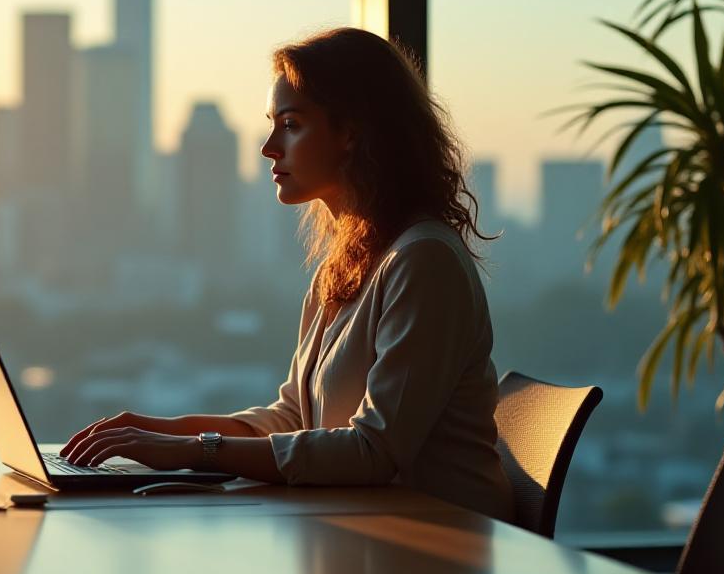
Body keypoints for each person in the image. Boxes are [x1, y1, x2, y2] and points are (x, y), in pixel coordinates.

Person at [61, 27, 515, 521]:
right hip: (367, 531)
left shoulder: (424, 261)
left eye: (291, 125)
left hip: (440, 541)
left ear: (351, 132)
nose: (269, 148)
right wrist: (157, 434)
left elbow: (374, 451)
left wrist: (194, 450)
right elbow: (293, 417)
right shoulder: (346, 266)